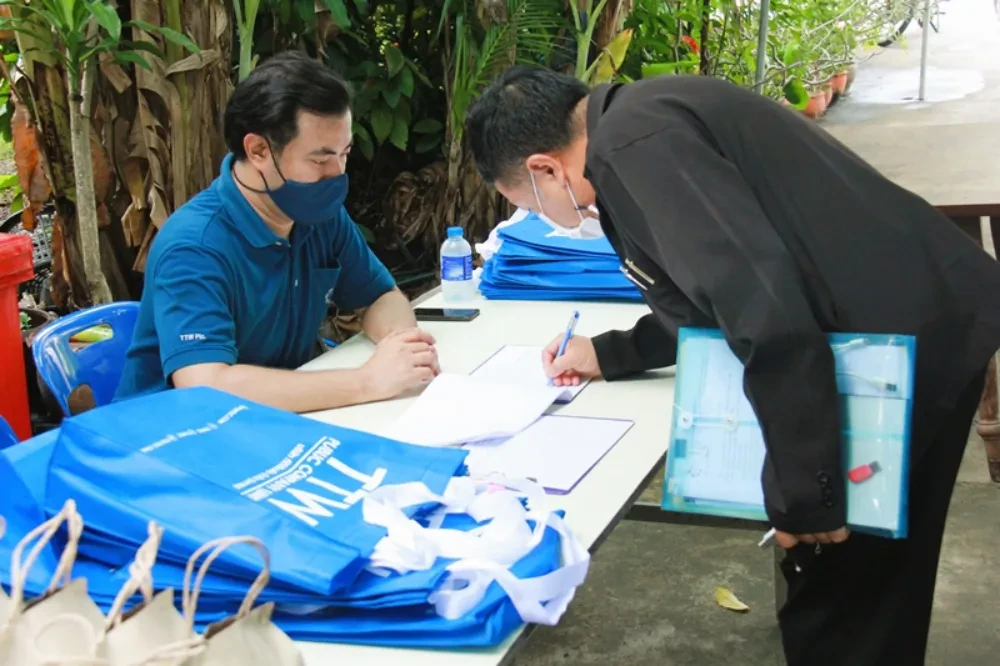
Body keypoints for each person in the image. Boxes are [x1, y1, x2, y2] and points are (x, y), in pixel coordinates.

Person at [464, 66, 1000, 665]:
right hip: (908, 315)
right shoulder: (642, 118)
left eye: (528, 205)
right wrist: (610, 353)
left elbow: (764, 312)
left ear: (544, 169)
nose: (543, 217)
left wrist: (803, 494)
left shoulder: (634, 148)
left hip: (896, 347)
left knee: (844, 601)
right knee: (869, 593)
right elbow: (710, 291)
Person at [116, 52, 439, 412]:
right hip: (175, 440)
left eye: (344, 154)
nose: (337, 173)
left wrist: (402, 348)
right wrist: (367, 381)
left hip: (279, 420)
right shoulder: (195, 246)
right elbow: (205, 386)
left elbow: (382, 295)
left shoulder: (318, 216)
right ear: (258, 150)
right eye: (319, 159)